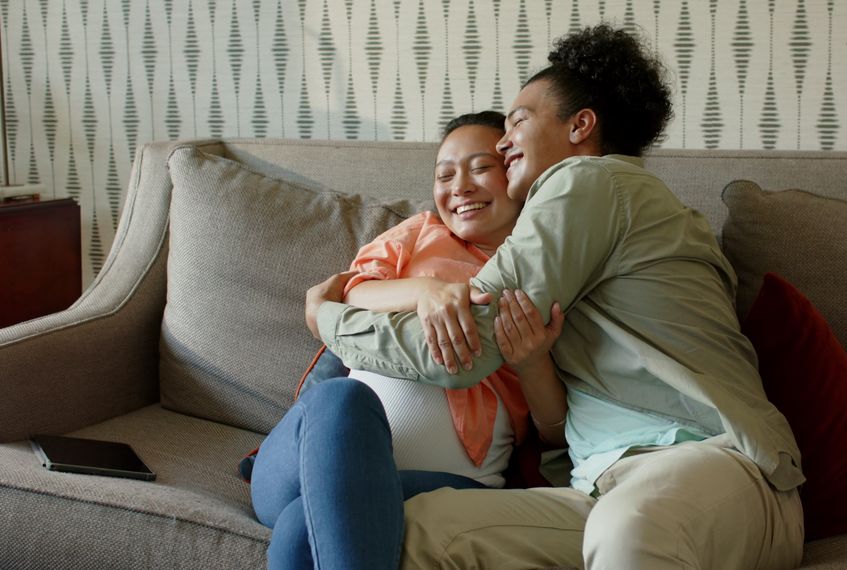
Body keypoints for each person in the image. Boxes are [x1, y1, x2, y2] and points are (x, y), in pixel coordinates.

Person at [309, 24, 805, 570]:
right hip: (599, 490)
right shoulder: (560, 233)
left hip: (716, 469)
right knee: (419, 533)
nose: (501, 141)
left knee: (631, 528)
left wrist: (325, 315)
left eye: (518, 120)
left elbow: (458, 348)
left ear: (580, 127)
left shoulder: (590, 183)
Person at [251, 111, 568, 570]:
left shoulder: (545, 270)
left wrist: (534, 361)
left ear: (516, 174)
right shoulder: (421, 232)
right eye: (445, 175)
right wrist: (426, 291)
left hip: (450, 485)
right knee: (342, 398)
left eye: (480, 168)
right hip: (305, 461)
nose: (459, 186)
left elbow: (556, 432)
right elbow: (349, 292)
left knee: (304, 527)